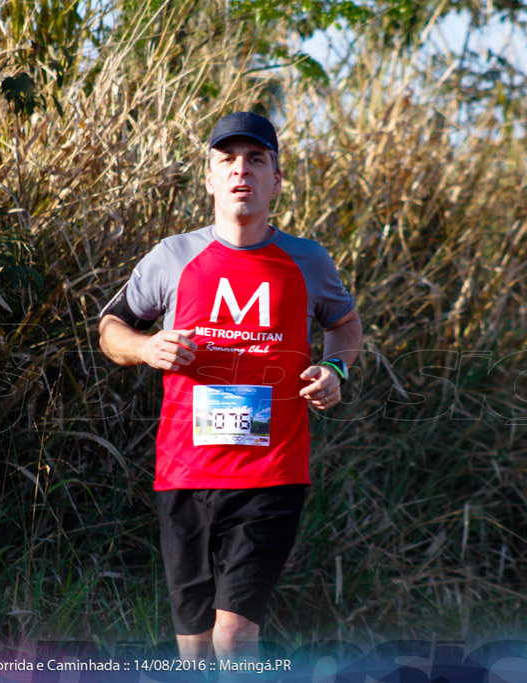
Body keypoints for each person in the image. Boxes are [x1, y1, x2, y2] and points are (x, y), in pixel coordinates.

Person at [98, 111, 362, 661]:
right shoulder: (173, 256)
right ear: (210, 178)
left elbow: (344, 325)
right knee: (194, 649)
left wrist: (335, 370)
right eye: (227, 160)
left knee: (235, 637)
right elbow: (111, 328)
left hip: (272, 472)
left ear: (276, 179)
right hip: (184, 473)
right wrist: (146, 348)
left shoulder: (308, 260)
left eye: (256, 160)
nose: (241, 170)